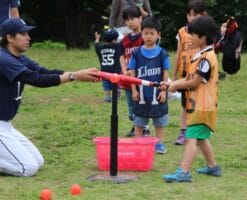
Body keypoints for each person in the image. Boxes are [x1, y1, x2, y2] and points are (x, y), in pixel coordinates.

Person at [0, 18, 99, 177]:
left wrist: (79, 73)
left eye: (28, 34)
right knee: (28, 168)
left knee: (38, 161)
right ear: (10, 38)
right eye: (23, 34)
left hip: (6, 125)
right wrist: (74, 76)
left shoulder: (21, 59)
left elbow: (45, 72)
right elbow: (37, 80)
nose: (28, 38)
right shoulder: (3, 59)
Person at [163, 16, 222, 182]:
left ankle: (183, 172)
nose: (190, 38)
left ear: (202, 37)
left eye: (193, 35)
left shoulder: (206, 58)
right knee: (201, 138)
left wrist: (175, 86)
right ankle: (213, 167)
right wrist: (171, 84)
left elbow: (195, 82)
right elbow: (190, 78)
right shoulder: (200, 56)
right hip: (198, 105)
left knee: (190, 138)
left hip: (202, 106)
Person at [128, 17, 170, 154]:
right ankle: (138, 143)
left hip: (157, 94)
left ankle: (159, 143)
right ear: (142, 34)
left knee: (159, 120)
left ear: (158, 35)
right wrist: (133, 90)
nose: (149, 36)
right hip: (140, 94)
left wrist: (164, 91)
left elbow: (165, 73)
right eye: (146, 33)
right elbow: (132, 74)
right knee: (139, 120)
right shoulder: (136, 53)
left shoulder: (163, 53)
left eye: (152, 33)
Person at [172, 0, 206, 146]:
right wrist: (174, 76)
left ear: (202, 15)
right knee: (185, 104)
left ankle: (198, 130)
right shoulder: (181, 32)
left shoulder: (205, 33)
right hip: (185, 73)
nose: (192, 18)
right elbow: (178, 53)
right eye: (190, 15)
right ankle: (183, 131)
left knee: (198, 102)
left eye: (196, 15)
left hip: (199, 73)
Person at [119, 6, 150, 137]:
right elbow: (121, 55)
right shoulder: (124, 40)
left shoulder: (145, 37)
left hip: (141, 78)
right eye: (127, 20)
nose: (130, 22)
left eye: (133, 18)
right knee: (131, 107)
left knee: (141, 104)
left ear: (140, 19)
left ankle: (145, 128)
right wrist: (124, 70)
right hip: (128, 79)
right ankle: (136, 125)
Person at [95, 28, 121, 102]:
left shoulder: (100, 47)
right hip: (114, 71)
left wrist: (97, 38)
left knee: (106, 85)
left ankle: (107, 97)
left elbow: (96, 44)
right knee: (116, 84)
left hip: (104, 71)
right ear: (113, 41)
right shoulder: (117, 46)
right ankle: (116, 96)